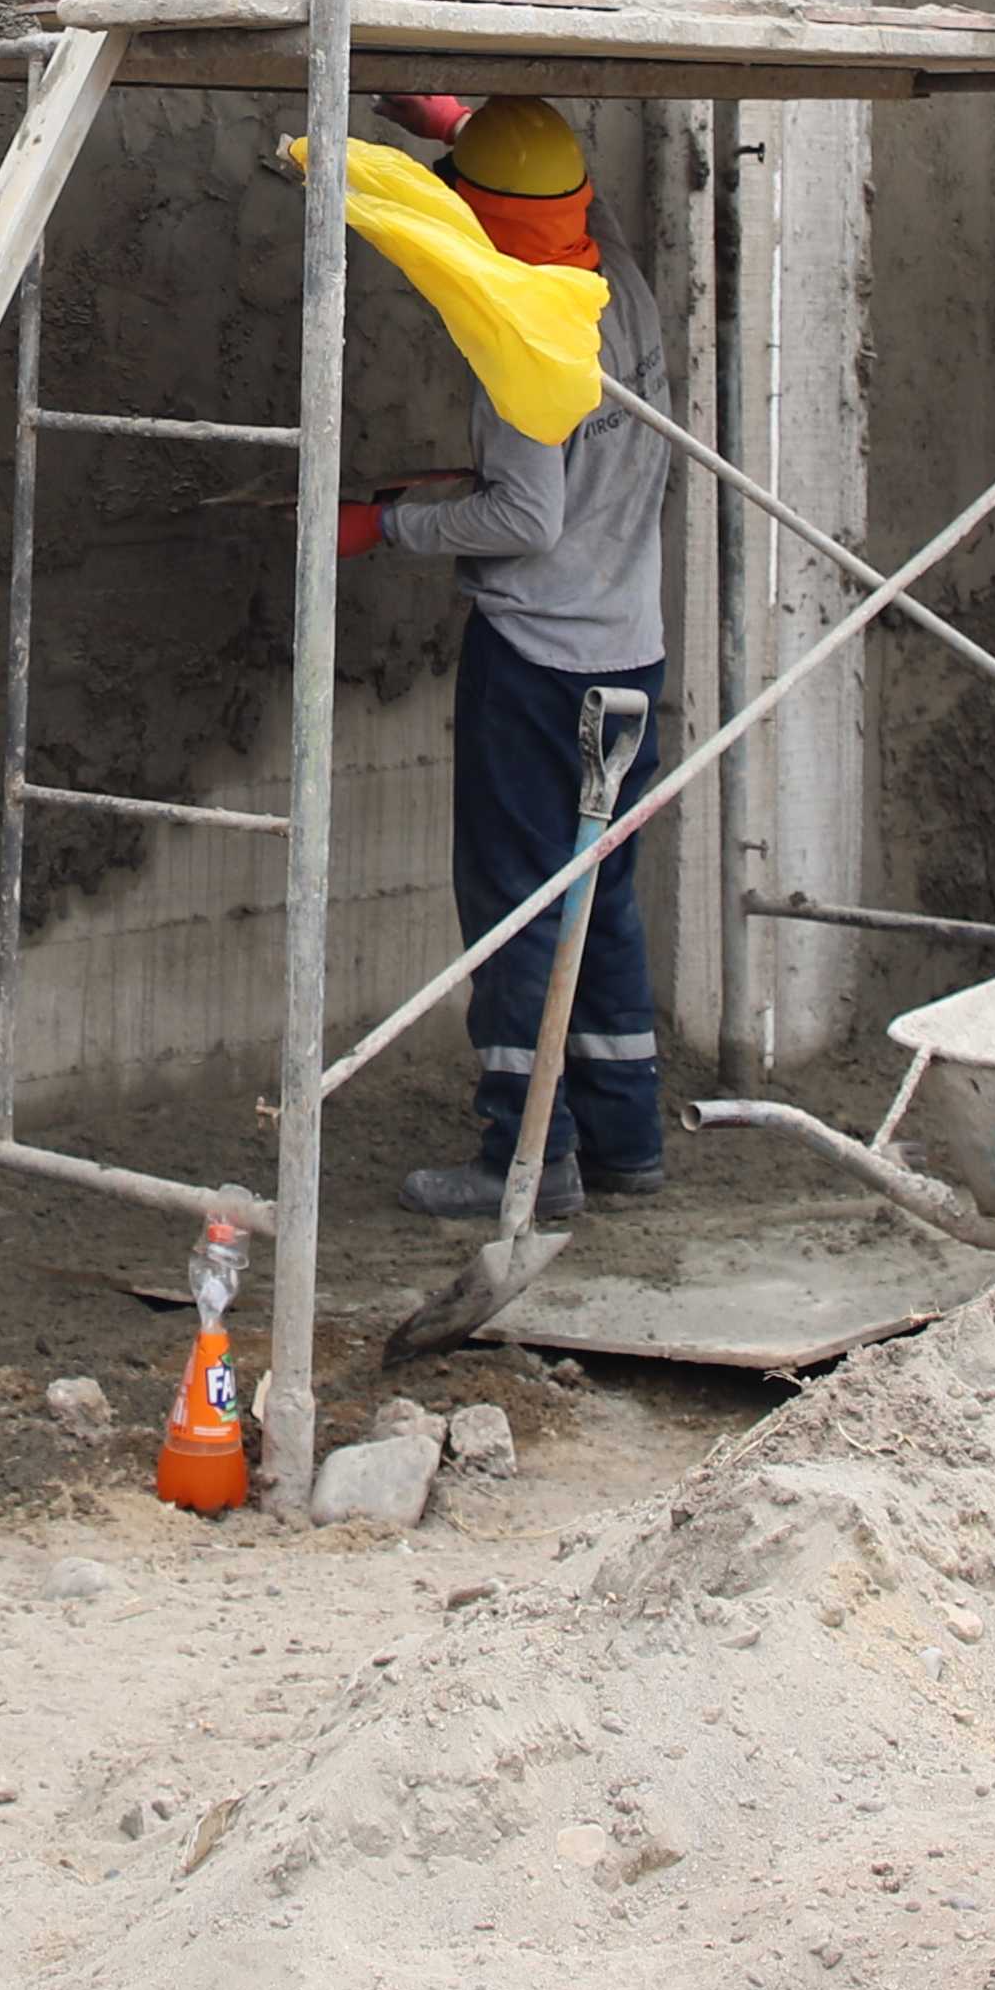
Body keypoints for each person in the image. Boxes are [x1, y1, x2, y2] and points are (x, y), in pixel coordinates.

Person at [337, 100, 679, 1218]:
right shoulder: (616, 285)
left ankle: (524, 1158)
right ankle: (625, 1140)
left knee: (515, 905)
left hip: (539, 663)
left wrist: (384, 526)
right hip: (629, 656)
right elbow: (574, 203)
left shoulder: (525, 340)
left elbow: (525, 518)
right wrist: (462, 122)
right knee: (598, 895)